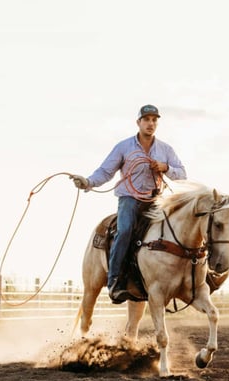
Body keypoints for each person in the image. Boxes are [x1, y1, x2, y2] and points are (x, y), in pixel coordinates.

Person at [70, 104, 186, 303]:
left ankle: (168, 280)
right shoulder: (124, 147)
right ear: (138, 122)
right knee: (125, 231)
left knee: (173, 233)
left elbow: (182, 174)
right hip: (129, 198)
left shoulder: (166, 150)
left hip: (155, 200)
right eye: (146, 119)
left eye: (154, 120)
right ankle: (115, 281)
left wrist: (165, 167)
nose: (151, 123)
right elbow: (105, 171)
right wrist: (88, 182)